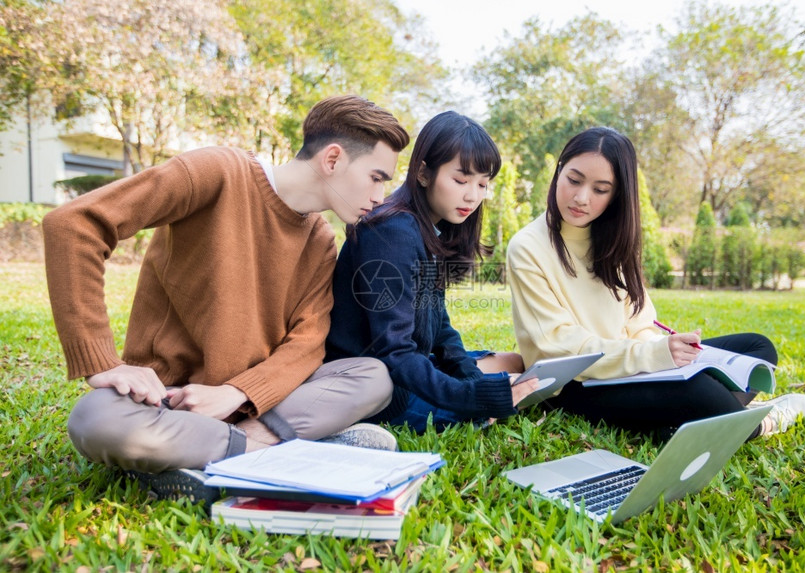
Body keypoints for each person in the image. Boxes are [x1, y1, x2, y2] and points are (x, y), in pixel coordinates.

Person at [42, 95, 411, 501]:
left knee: (374, 377)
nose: (380, 195)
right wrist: (101, 363)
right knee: (95, 420)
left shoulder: (322, 241)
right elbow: (74, 224)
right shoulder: (217, 171)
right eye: (377, 177)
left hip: (255, 403)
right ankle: (281, 455)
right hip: (168, 401)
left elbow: (307, 344)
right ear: (333, 159)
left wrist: (236, 393)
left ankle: (213, 455)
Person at [506, 126, 805, 439]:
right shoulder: (528, 247)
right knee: (701, 391)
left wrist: (665, 353)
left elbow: (640, 321)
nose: (581, 197)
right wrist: (652, 356)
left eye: (600, 189)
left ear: (617, 194)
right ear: (559, 172)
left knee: (757, 348)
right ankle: (765, 418)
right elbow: (558, 345)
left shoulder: (612, 239)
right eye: (573, 180)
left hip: (632, 368)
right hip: (576, 386)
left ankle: (690, 420)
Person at [325, 111, 539, 433]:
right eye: (460, 180)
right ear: (424, 173)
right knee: (497, 400)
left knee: (515, 364)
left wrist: (470, 378)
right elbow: (394, 352)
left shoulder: (429, 229)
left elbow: (438, 325)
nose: (473, 196)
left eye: (482, 184)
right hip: (382, 388)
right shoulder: (392, 231)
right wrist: (473, 397)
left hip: (413, 365)